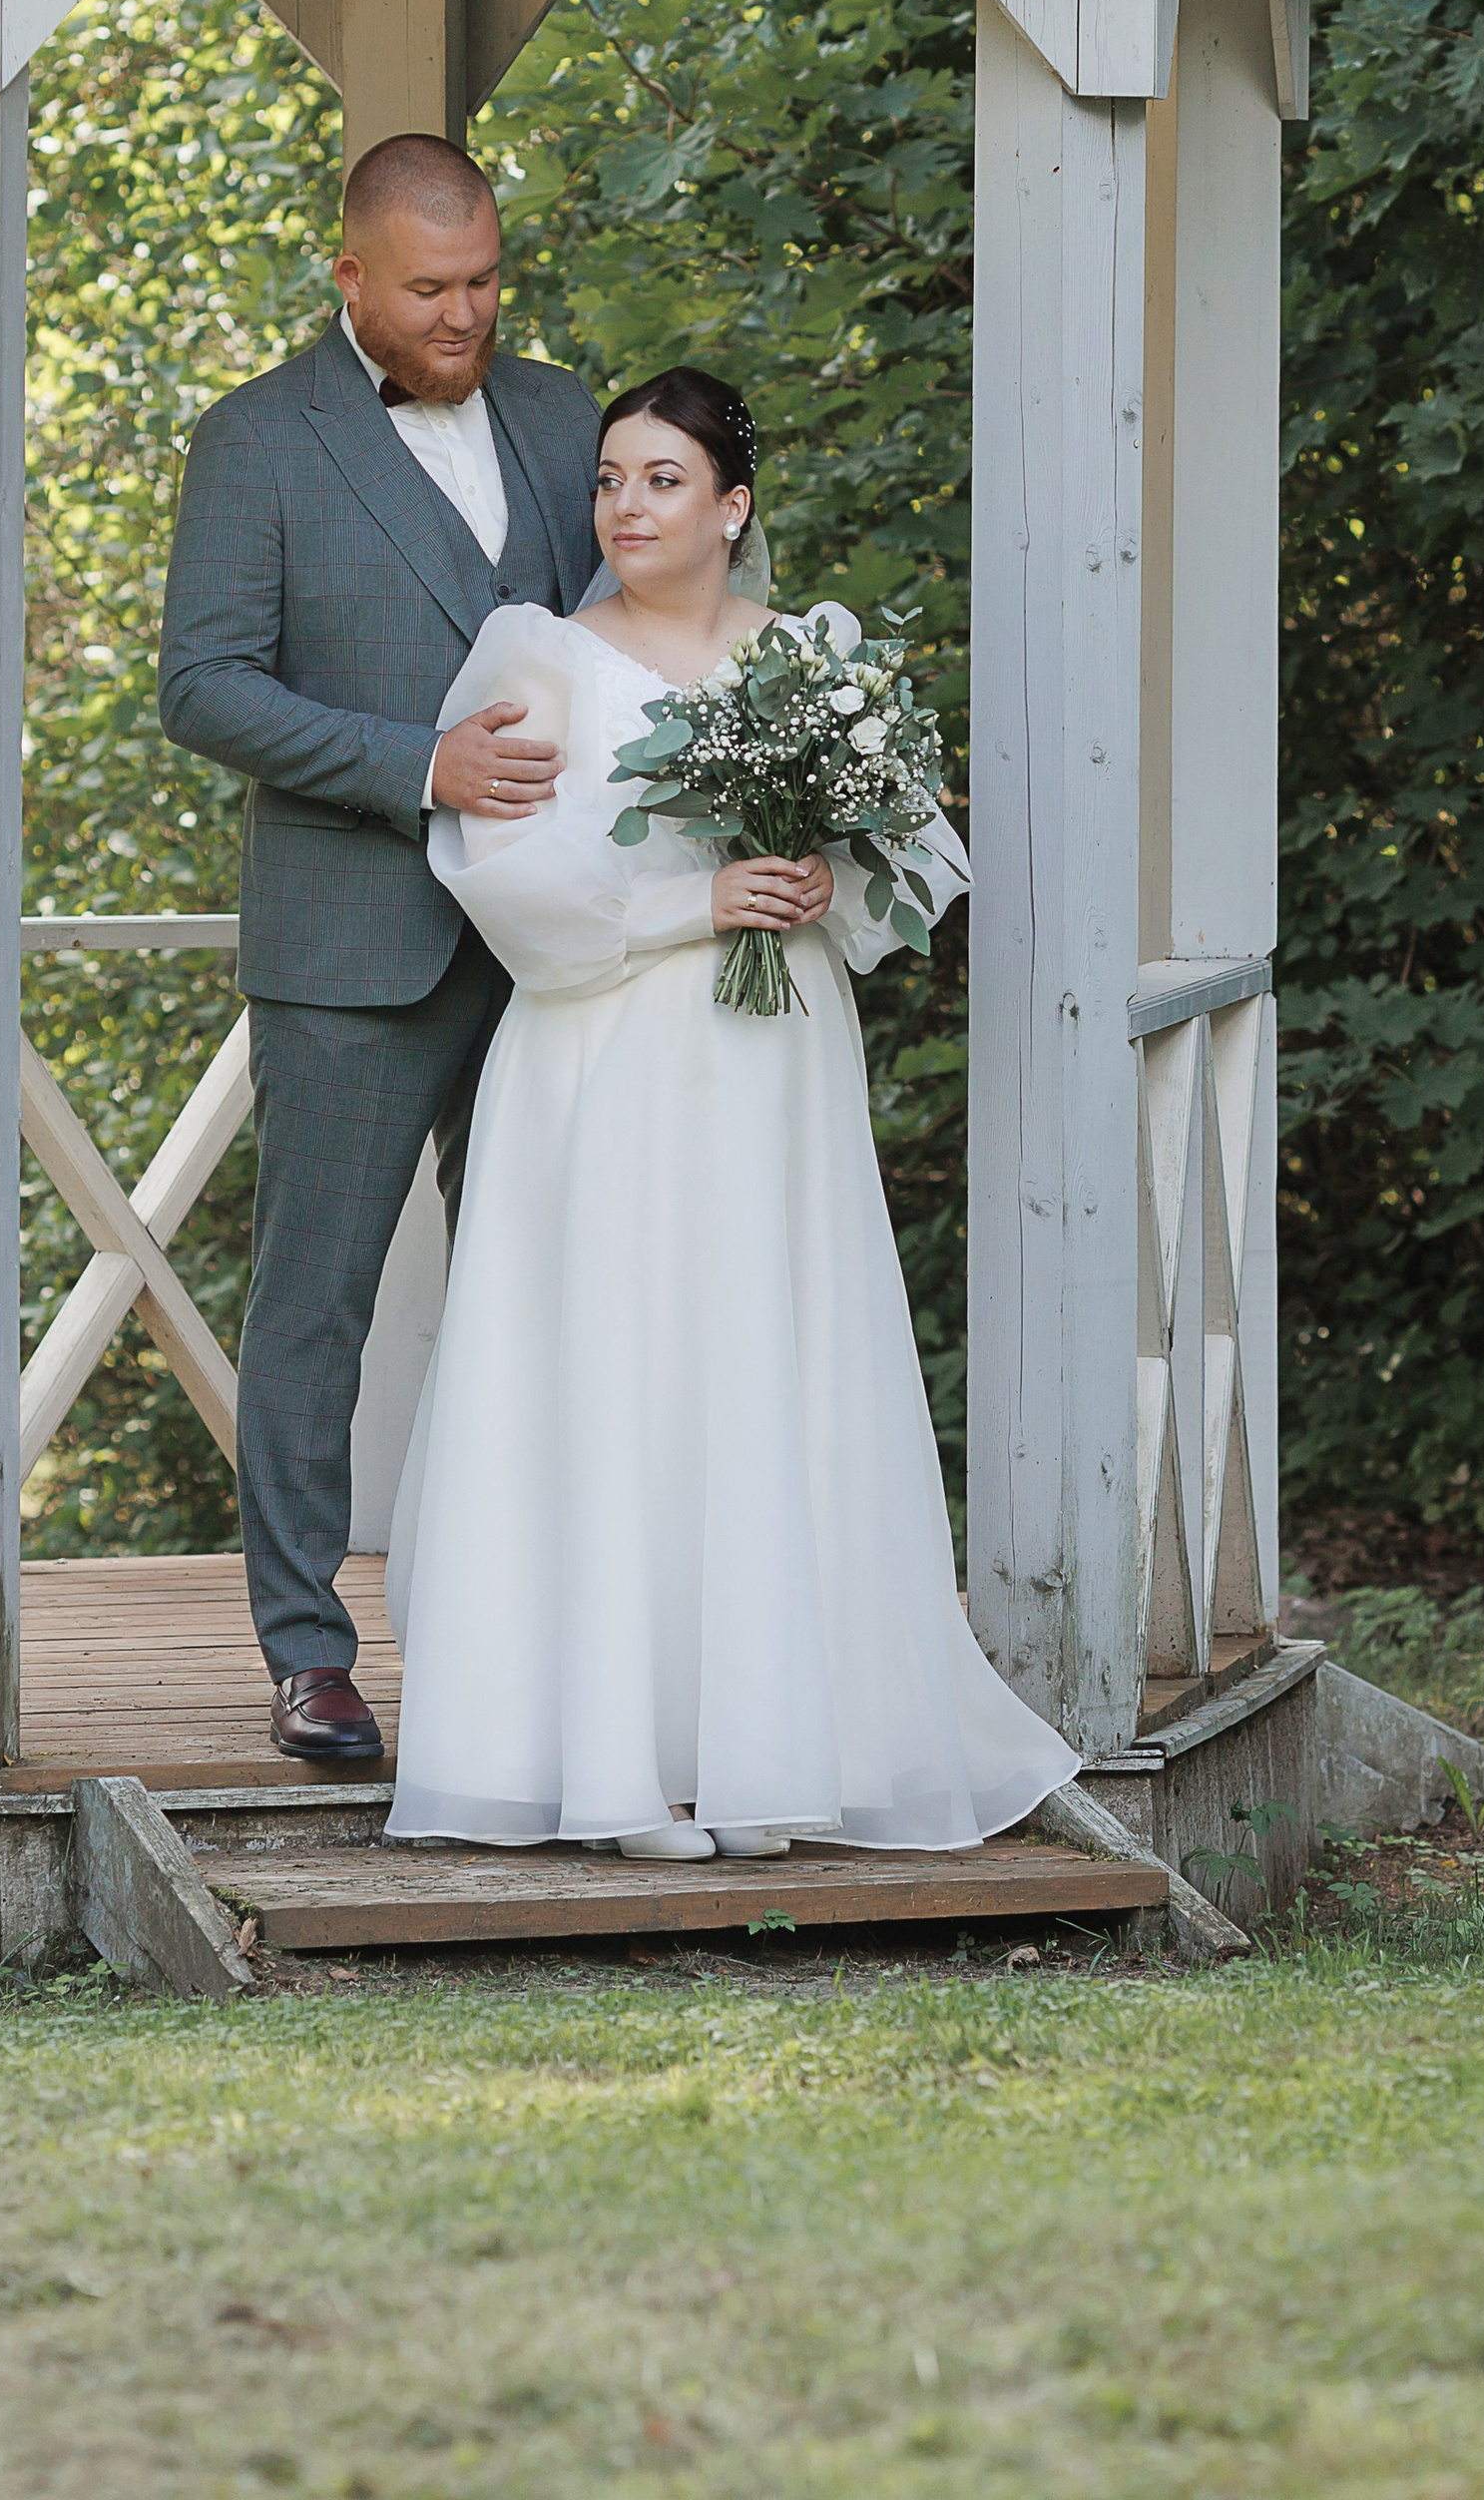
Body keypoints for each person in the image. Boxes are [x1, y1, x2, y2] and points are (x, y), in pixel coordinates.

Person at [384, 368, 1078, 1859]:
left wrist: (825, 871)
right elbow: (501, 878)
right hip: (608, 1058)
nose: (626, 509)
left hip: (773, 1065)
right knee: (621, 1368)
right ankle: (615, 1765)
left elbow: (912, 869)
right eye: (612, 482)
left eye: (662, 482)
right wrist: (694, 899)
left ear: (734, 506)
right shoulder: (543, 655)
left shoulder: (816, 659)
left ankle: (771, 1750)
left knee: (771, 1358)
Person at [157, 133, 603, 1762]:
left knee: (554, 1291)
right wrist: (421, 764)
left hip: (559, 945)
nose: (467, 314)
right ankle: (307, 1652)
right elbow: (204, 686)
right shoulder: (257, 441)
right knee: (313, 1308)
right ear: (348, 275)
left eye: (487, 279)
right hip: (353, 943)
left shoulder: (568, 417)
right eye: (431, 288)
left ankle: (545, 1623)